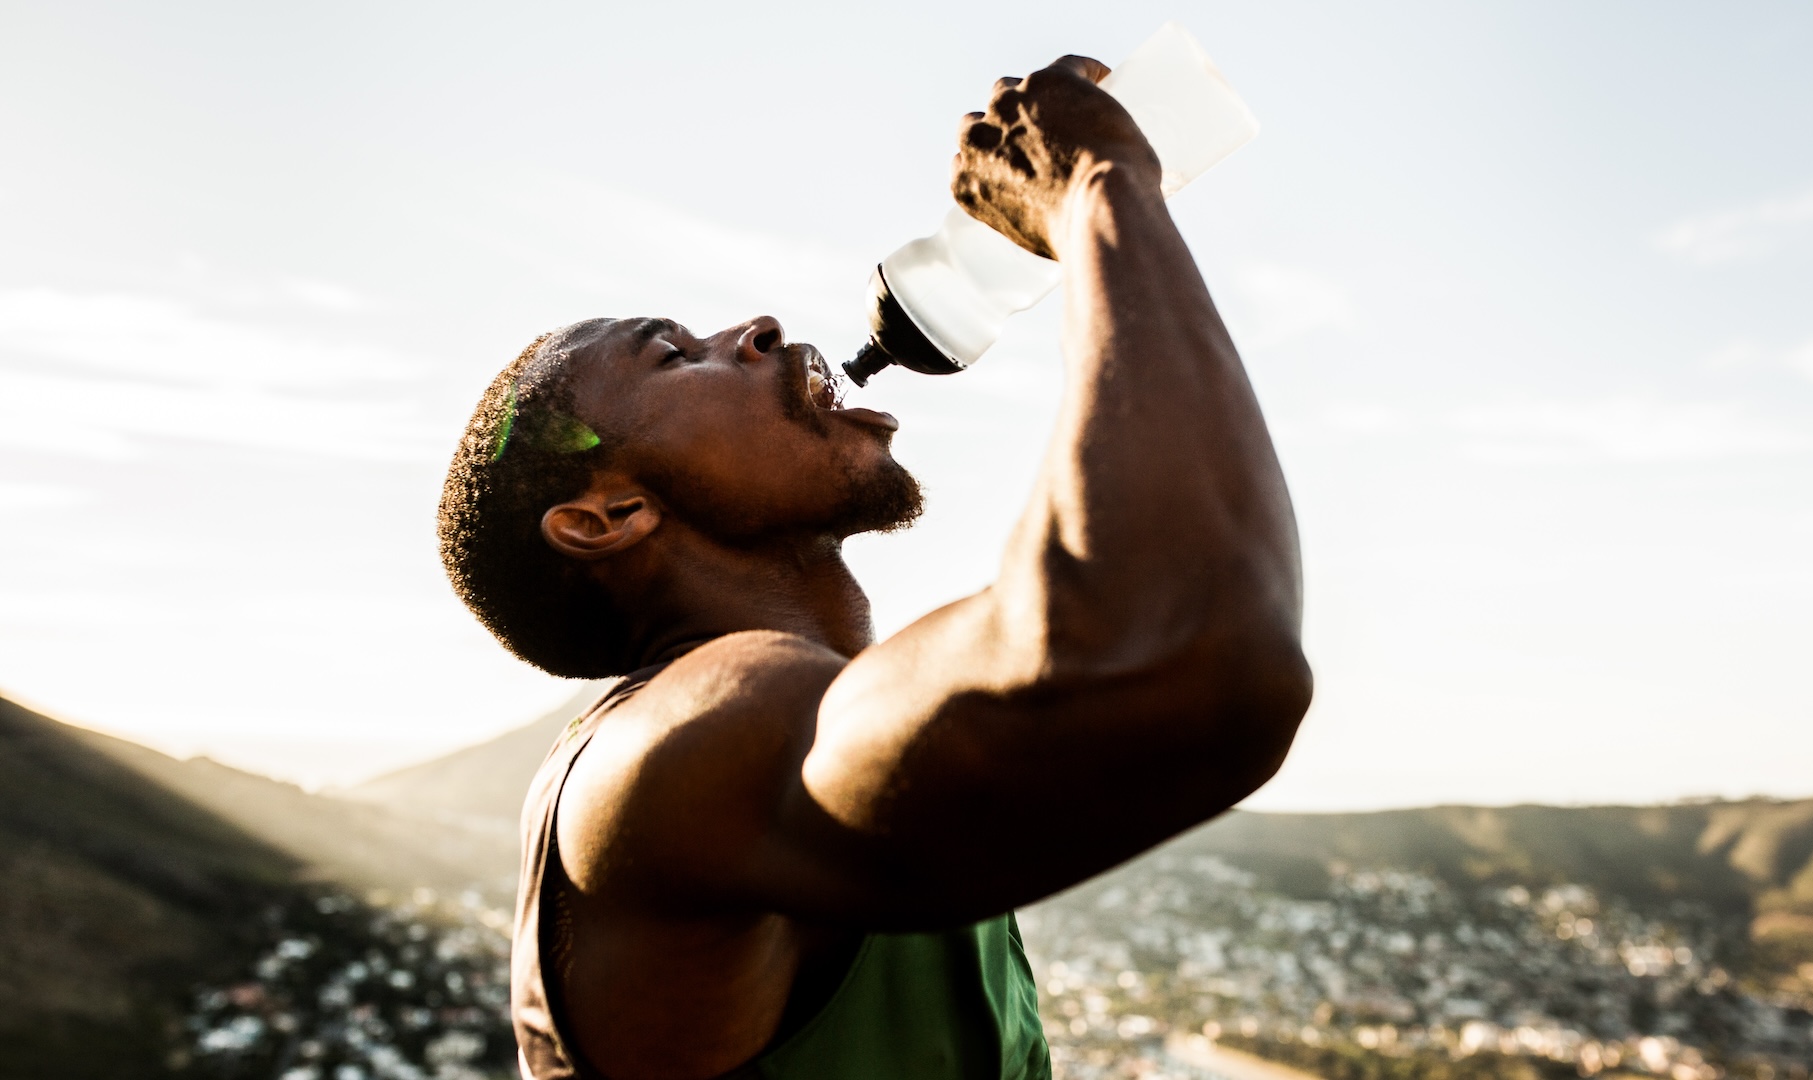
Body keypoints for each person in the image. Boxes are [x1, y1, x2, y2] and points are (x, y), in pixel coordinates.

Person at [437, 53, 1312, 1080]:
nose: (755, 327)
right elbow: (1184, 641)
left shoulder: (816, 736)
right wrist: (1101, 185)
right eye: (673, 356)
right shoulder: (678, 751)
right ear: (609, 515)